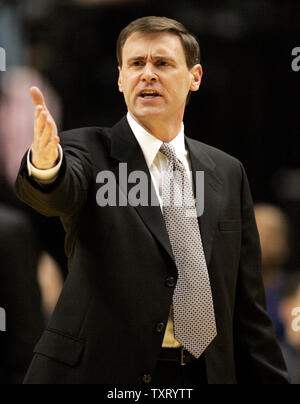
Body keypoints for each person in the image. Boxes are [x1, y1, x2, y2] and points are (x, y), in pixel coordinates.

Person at [15, 16, 289, 384]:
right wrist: (47, 165)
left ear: (195, 77)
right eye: (136, 64)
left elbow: (249, 311)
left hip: (202, 372)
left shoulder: (227, 171)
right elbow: (59, 191)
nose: (147, 74)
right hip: (102, 372)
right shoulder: (87, 150)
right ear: (120, 78)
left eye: (161, 63)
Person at [254, 204, 291, 340]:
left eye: (273, 233)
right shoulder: (229, 289)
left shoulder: (292, 289)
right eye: (258, 231)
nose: (265, 240)